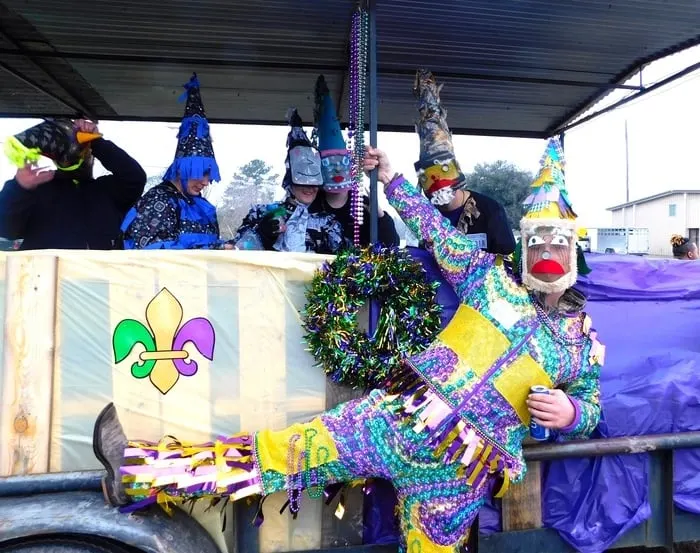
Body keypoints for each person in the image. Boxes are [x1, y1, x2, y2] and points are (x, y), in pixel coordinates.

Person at [92, 137, 603, 553]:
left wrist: (570, 410)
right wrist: (391, 180)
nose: (546, 251)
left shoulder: (580, 343)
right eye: (537, 239)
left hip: (456, 470)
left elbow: (591, 407)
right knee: (278, 456)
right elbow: (433, 230)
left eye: (557, 240)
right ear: (523, 242)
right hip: (392, 419)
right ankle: (138, 471)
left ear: (573, 245)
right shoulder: (490, 281)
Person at [121, 74, 232, 250]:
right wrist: (214, 251)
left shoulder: (200, 205)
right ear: (183, 169)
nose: (205, 182)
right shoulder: (159, 201)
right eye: (201, 173)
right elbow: (153, 253)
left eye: (208, 174)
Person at [412, 69, 515, 255]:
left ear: (456, 169)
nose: (437, 180)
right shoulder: (427, 216)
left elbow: (506, 260)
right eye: (427, 176)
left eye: (444, 169)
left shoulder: (490, 211)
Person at [0, 118, 145, 250]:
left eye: (86, 152)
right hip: (45, 276)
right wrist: (19, 188)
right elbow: (6, 229)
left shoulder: (107, 191)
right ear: (58, 160)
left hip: (100, 275)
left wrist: (96, 142)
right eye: (75, 153)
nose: (81, 157)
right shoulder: (36, 190)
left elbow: (135, 177)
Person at [233, 109, 347, 254]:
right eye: (302, 180)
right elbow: (236, 251)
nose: (310, 187)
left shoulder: (328, 223)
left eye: (314, 181)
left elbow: (344, 262)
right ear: (290, 180)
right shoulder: (263, 213)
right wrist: (261, 235)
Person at [310, 75, 399, 247]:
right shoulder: (310, 205)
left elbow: (392, 244)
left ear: (351, 165)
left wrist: (378, 213)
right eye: (328, 163)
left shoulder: (362, 206)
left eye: (341, 162)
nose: (336, 170)